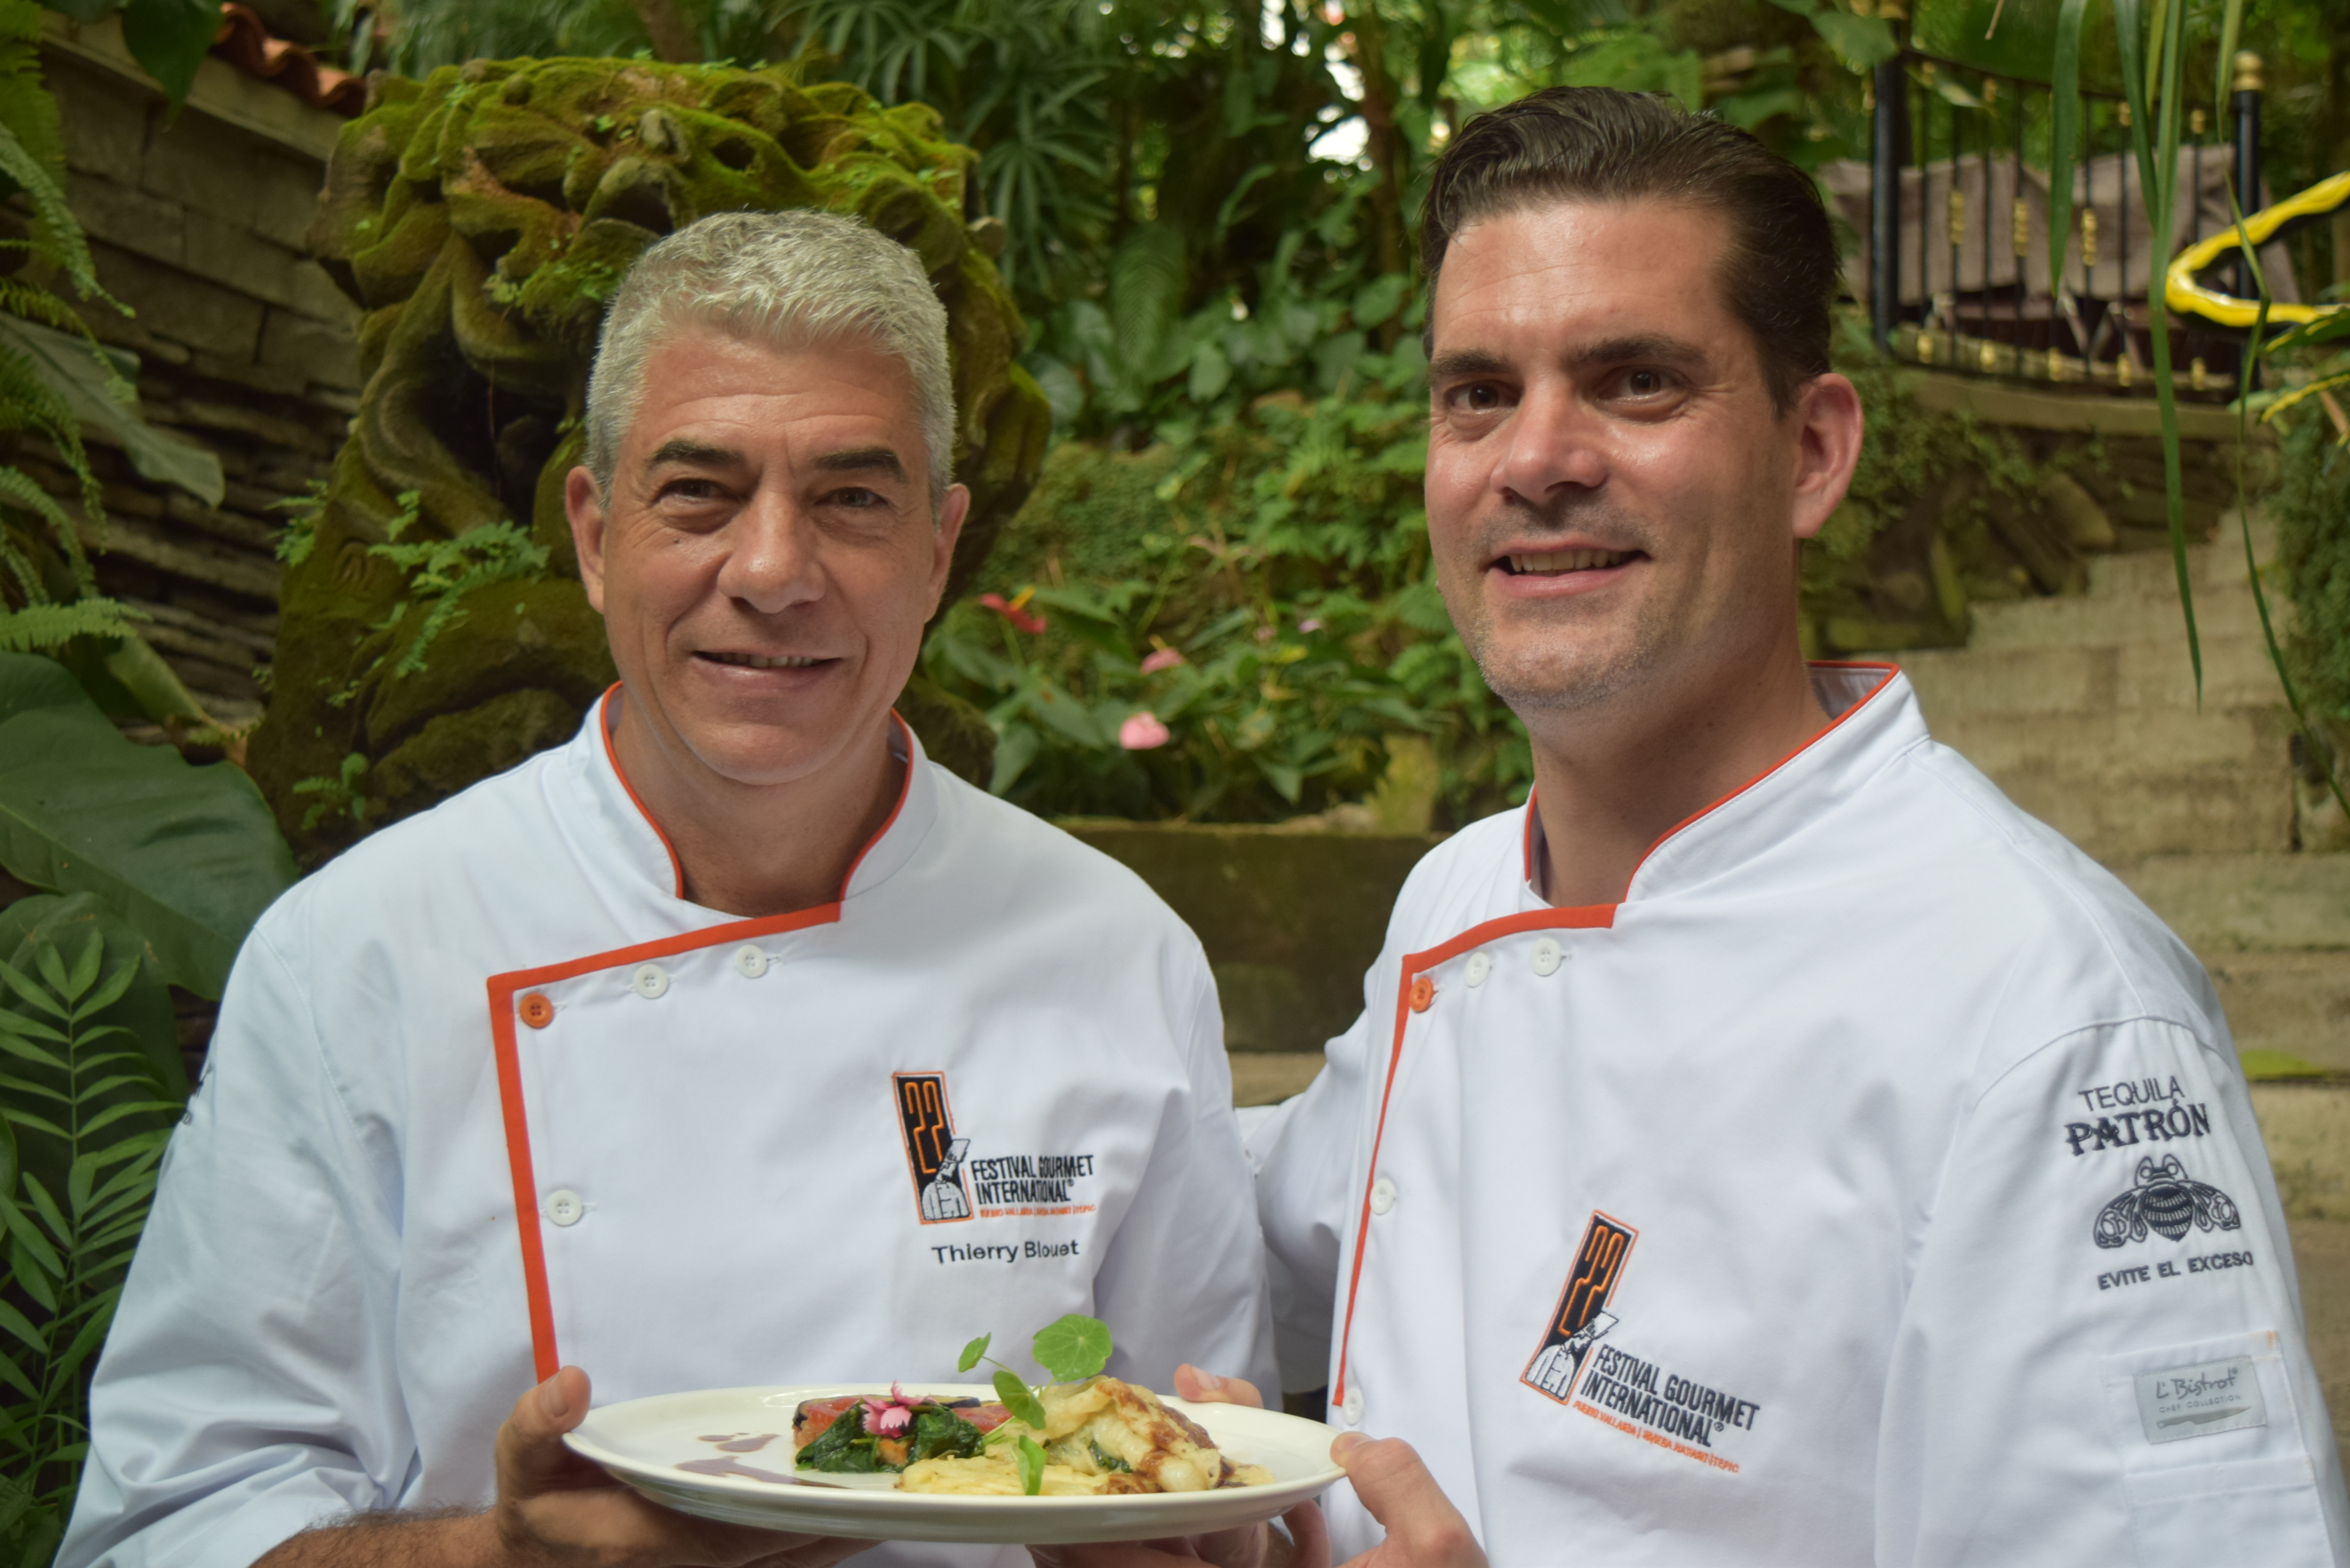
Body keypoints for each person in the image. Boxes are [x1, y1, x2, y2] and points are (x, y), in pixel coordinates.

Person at [1069, 86, 2350, 1566]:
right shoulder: (1460, 901)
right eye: (1478, 392)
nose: (1536, 457)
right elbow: (1227, 1226)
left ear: (1813, 452)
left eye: (1635, 383)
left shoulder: (2054, 1020)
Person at [59, 210, 1275, 1568]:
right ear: (592, 534)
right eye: (698, 492)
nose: (770, 572)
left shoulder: (1116, 956)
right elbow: (167, 1531)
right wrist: (504, 1559)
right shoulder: (366, 956)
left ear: (938, 552)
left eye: (851, 500)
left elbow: (1200, 1478)